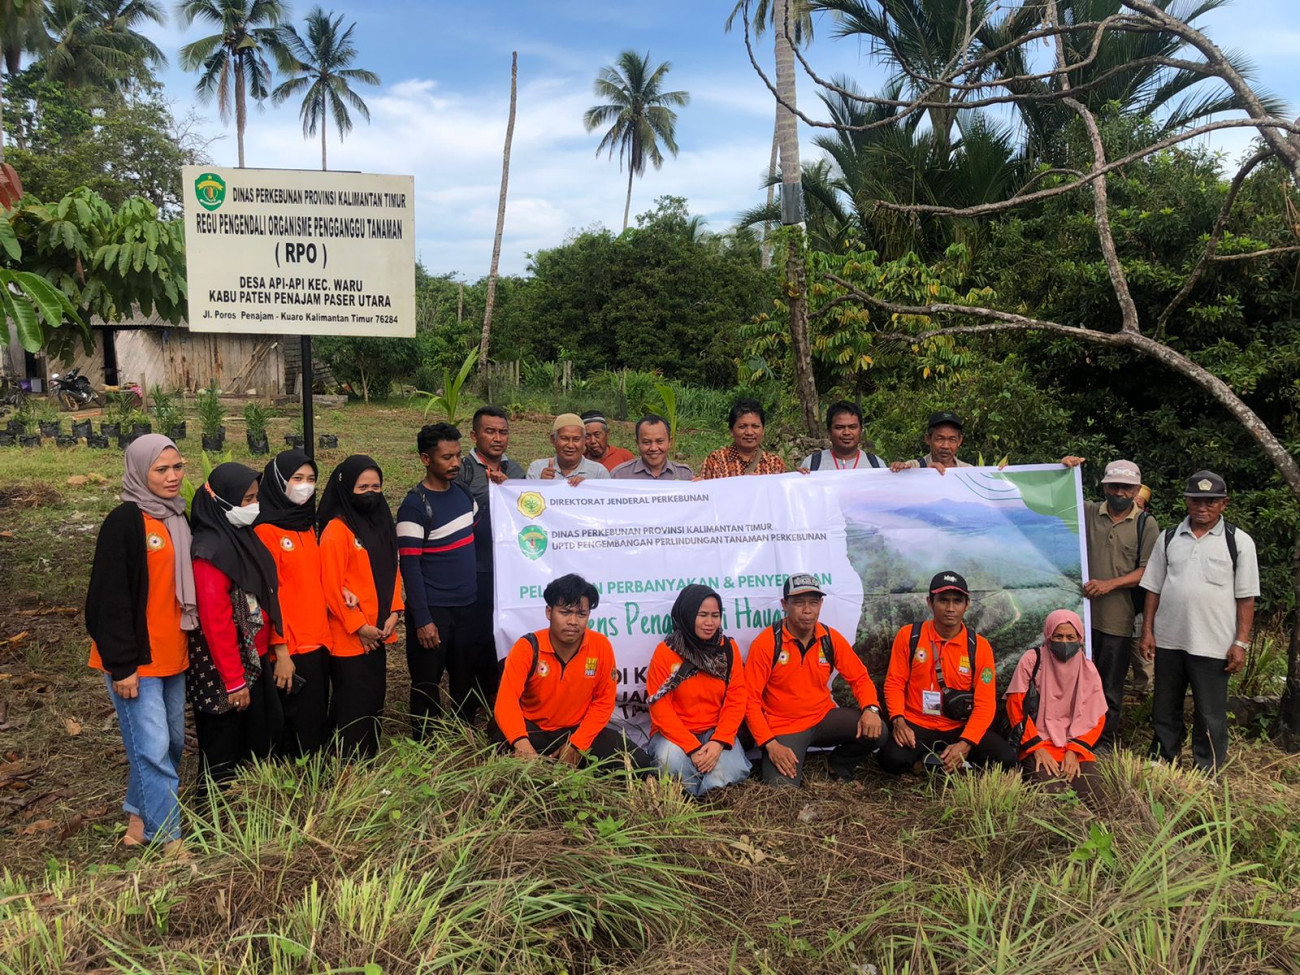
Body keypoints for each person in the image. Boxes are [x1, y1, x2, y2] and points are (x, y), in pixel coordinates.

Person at [85, 435, 194, 851]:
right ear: (139, 471)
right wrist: (122, 665)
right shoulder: (125, 522)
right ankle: (169, 842)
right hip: (135, 660)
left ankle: (137, 819)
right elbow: (106, 600)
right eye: (161, 470)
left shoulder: (178, 519)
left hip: (172, 655)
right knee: (152, 750)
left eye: (177, 468)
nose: (172, 477)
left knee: (173, 744)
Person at [1140, 470, 1259, 773]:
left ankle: (1207, 767)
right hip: (1169, 639)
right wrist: (1148, 631)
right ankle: (1163, 758)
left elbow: (1246, 598)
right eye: (1196, 500)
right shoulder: (1169, 537)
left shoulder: (1239, 542)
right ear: (1186, 501)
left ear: (1224, 503)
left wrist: (1240, 642)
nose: (1202, 507)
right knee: (1165, 705)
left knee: (1210, 711)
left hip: (1214, 643)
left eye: (1210, 501)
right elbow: (1153, 588)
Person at [493, 573, 654, 773]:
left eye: (581, 614)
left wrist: (577, 745)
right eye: (565, 612)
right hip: (533, 730)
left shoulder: (600, 646)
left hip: (577, 730)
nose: (573, 621)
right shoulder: (527, 647)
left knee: (640, 765)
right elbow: (506, 701)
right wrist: (521, 744)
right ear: (548, 612)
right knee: (503, 756)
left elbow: (604, 701)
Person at [189, 463, 285, 795]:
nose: (253, 507)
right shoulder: (209, 552)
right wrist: (234, 681)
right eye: (246, 499)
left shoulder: (241, 537)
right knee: (222, 751)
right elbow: (216, 622)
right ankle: (214, 818)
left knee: (255, 741)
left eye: (256, 497)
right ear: (221, 499)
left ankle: (246, 813)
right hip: (224, 670)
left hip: (253, 660)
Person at [743, 573, 883, 786]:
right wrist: (770, 744)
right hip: (783, 726)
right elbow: (750, 700)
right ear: (784, 604)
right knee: (782, 789)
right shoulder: (767, 643)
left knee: (878, 731)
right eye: (798, 603)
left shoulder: (830, 638)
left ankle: (838, 764)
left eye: (813, 602)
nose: (807, 610)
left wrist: (871, 709)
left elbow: (860, 678)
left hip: (823, 718)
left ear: (821, 604)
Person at [877, 571, 1017, 773]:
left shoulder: (979, 647)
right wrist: (898, 721)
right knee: (890, 760)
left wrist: (966, 743)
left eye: (957, 601)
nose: (950, 608)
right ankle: (926, 764)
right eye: (943, 600)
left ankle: (945, 759)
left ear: (966, 605)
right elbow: (894, 683)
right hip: (916, 723)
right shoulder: (909, 636)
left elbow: (985, 703)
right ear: (929, 602)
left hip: (959, 726)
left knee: (1005, 759)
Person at [398, 423, 485, 734]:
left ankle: (463, 729)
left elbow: (480, 534)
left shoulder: (463, 493)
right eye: (447, 457)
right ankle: (425, 738)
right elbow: (410, 566)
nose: (456, 463)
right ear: (425, 459)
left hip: (468, 605)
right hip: (434, 609)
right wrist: (422, 619)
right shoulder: (414, 506)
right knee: (427, 679)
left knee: (464, 673)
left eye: (458, 456)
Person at [318, 455, 402, 760]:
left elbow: (393, 569)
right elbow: (330, 586)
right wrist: (358, 625)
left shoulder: (381, 524)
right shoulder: (336, 532)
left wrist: (394, 613)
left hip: (378, 633)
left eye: (376, 486)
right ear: (346, 489)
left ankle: (366, 761)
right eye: (362, 486)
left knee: (371, 703)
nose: (370, 492)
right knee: (351, 706)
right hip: (348, 639)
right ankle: (342, 768)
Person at [254, 450, 332, 757]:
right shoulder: (265, 530)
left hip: (319, 640)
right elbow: (267, 596)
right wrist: (281, 650)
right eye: (296, 478)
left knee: (314, 718)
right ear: (278, 481)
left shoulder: (306, 526)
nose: (305, 485)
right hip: (291, 645)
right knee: (296, 723)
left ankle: (314, 781)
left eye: (311, 479)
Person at [1079, 459, 1159, 749]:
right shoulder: (1087, 511)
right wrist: (1065, 468)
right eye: (1114, 486)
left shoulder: (1145, 524)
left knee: (1109, 684)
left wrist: (1108, 584)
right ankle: (1077, 735)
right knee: (1078, 681)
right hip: (1080, 619)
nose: (1120, 493)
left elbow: (1147, 571)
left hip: (1117, 619)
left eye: (1126, 488)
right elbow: (1054, 497)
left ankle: (1103, 739)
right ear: (1104, 487)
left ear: (1137, 488)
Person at [645, 585, 750, 795]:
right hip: (674, 735)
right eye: (702, 615)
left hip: (714, 732)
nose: (709, 623)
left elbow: (736, 698)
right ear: (687, 614)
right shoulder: (666, 653)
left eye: (715, 615)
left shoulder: (728, 649)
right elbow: (660, 708)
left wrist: (719, 742)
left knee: (730, 769)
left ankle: (701, 797)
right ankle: (694, 795)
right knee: (671, 763)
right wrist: (691, 747)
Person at [457, 406, 526, 708]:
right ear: (474, 435)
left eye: (503, 432)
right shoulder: (460, 470)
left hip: (512, 571)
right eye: (490, 431)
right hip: (476, 569)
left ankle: (504, 700)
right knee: (476, 638)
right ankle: (470, 706)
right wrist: (488, 489)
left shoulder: (517, 472)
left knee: (507, 634)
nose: (497, 438)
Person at [1004, 610, 1107, 802]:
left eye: (1071, 637)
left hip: (1075, 748)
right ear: (1048, 636)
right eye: (1058, 636)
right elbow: (1015, 705)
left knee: (1098, 800)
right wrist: (1036, 748)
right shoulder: (1032, 660)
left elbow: (1097, 716)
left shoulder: (1088, 669)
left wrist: (1074, 750)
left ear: (1080, 638)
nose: (1065, 642)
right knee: (1056, 800)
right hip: (1038, 745)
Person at [698, 398, 787, 479]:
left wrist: (800, 479)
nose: (749, 432)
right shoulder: (715, 461)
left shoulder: (775, 464)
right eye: (742, 427)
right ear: (731, 430)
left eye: (755, 426)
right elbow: (708, 494)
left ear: (763, 430)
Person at [799, 401, 886, 471]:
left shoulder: (876, 465)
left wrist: (897, 473)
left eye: (852, 427)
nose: (846, 432)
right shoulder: (812, 464)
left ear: (860, 430)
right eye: (839, 427)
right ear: (829, 431)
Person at [526, 413, 611, 483]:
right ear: (553, 439)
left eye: (576, 439)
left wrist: (587, 487)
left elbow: (607, 501)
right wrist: (539, 484)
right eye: (564, 439)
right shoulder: (537, 469)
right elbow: (527, 500)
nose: (570, 445)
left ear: (584, 441)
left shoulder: (599, 473)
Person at [1128, 484, 1156, 696]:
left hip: (1138, 606)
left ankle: (1143, 696)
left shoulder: (1146, 529)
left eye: (1139, 505)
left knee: (1141, 655)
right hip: (1111, 607)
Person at [610, 413, 694, 480]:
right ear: (637, 443)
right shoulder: (620, 476)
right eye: (646, 442)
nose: (653, 448)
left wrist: (702, 486)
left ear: (670, 442)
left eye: (660, 441)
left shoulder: (685, 475)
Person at [889, 412, 973, 473]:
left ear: (959, 441)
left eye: (952, 440)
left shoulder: (969, 471)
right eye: (940, 439)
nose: (945, 446)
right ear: (928, 438)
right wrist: (897, 471)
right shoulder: (913, 468)